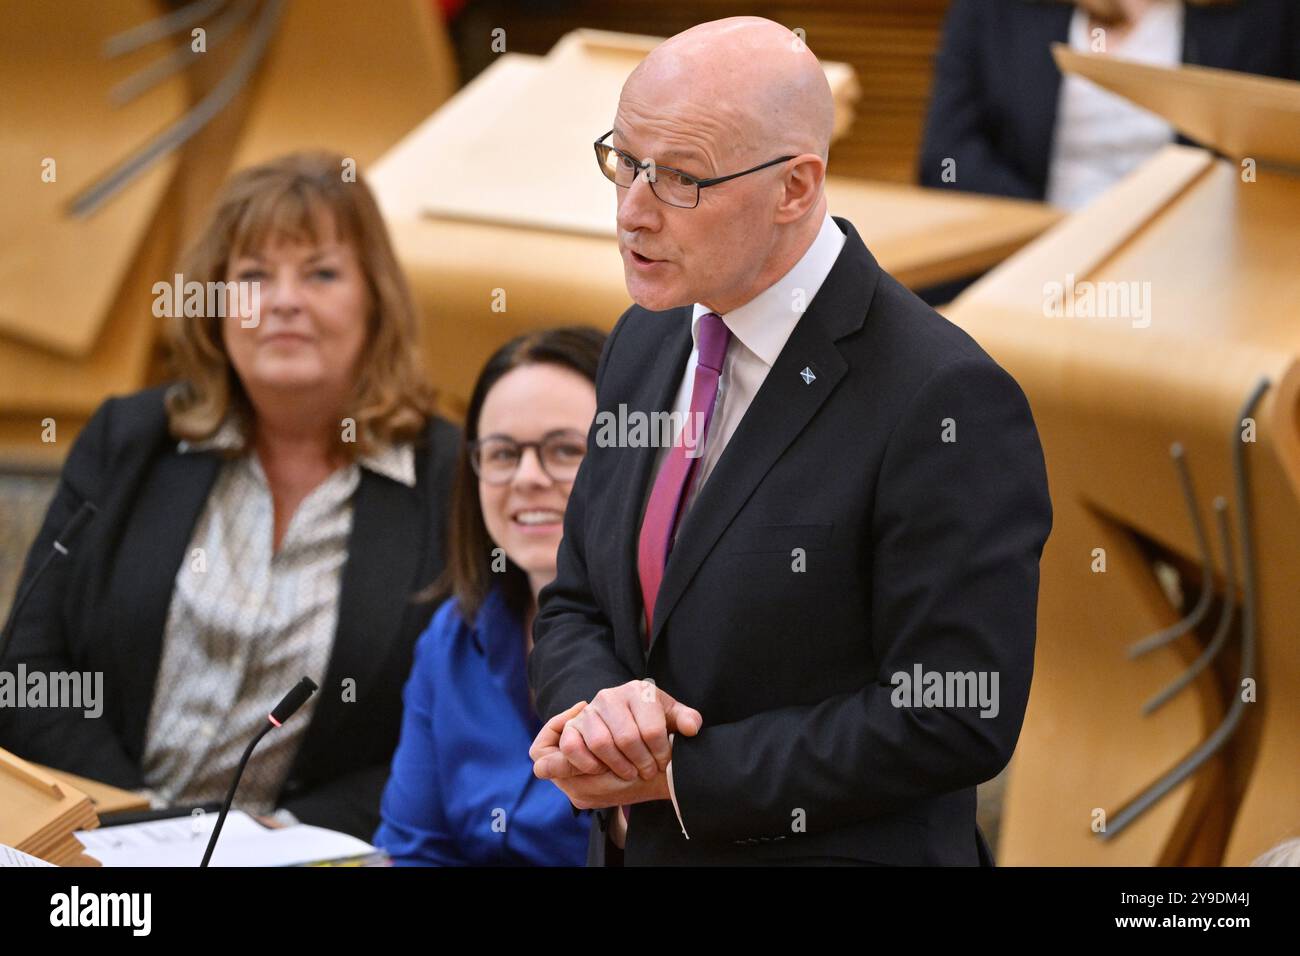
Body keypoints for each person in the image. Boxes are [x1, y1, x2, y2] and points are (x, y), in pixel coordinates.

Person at [526, 17, 1053, 866]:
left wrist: (680, 773)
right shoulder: (645, 338)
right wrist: (602, 715)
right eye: (624, 162)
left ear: (796, 189)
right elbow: (579, 600)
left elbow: (954, 714)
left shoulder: (946, 398)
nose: (631, 211)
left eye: (680, 180)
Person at [0, 151, 458, 840]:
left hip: (305, 855)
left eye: (322, 273)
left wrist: (285, 835)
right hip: (95, 837)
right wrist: (138, 824)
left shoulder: (447, 479)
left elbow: (456, 723)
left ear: (376, 300)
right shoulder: (130, 440)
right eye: (251, 277)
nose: (282, 301)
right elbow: (28, 668)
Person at [374, 327, 603, 865]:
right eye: (502, 454)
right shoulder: (452, 639)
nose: (526, 477)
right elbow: (414, 851)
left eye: (565, 449)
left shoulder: (673, 641)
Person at [919, 0, 1300, 208]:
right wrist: (1047, 230)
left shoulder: (1265, 14)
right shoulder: (994, 11)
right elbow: (946, 156)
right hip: (1031, 250)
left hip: (1199, 267)